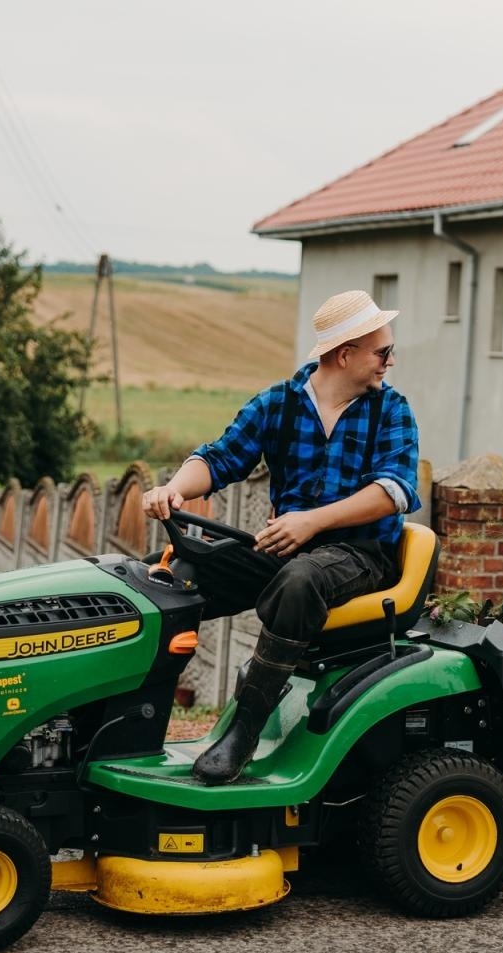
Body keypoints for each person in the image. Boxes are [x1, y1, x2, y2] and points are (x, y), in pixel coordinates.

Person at [142, 290, 419, 784]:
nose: (390, 361)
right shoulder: (279, 404)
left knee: (299, 580)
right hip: (286, 547)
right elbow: (219, 458)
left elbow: (394, 491)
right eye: (382, 352)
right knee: (167, 574)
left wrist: (312, 521)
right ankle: (136, 723)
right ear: (345, 353)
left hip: (359, 555)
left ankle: (244, 730)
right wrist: (173, 489)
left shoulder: (391, 410)